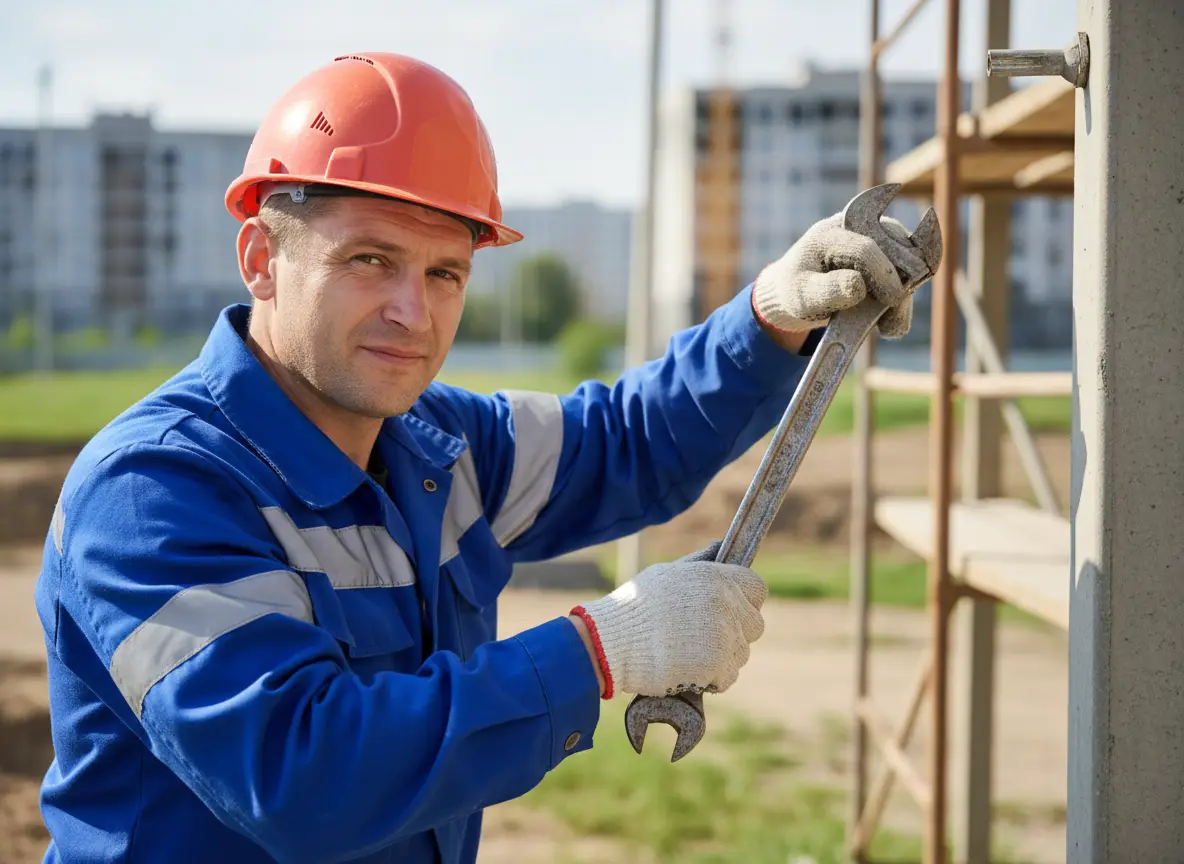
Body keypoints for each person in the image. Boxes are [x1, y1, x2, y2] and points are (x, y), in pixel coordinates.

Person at [33, 52, 918, 864]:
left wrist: (769, 320)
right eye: (370, 260)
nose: (412, 313)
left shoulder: (435, 446)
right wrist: (601, 652)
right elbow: (302, 774)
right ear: (261, 258)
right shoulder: (156, 491)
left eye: (445, 273)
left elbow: (623, 442)